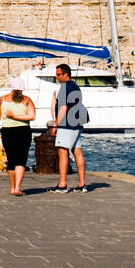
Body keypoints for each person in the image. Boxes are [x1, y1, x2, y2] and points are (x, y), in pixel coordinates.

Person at [0, 76, 36, 196]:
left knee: (11, 160)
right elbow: (32, 116)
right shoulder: (26, 100)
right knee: (21, 159)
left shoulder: (1, 100)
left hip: (7, 131)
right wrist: (17, 117)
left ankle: (12, 187)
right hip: (23, 131)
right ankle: (17, 187)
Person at [50, 63, 88, 194]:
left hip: (66, 124)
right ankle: (82, 184)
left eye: (59, 74)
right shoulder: (75, 86)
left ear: (65, 74)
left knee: (62, 151)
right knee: (77, 151)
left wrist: (55, 125)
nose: (57, 77)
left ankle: (62, 184)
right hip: (77, 123)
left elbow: (63, 108)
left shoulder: (66, 88)